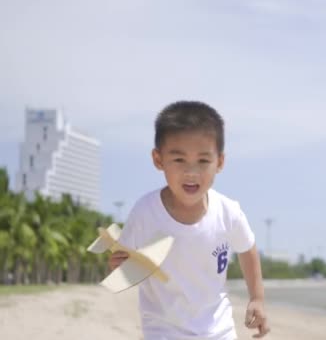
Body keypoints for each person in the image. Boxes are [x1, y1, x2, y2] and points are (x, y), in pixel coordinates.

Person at [108, 101, 269, 340]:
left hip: (217, 329)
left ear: (220, 162)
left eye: (203, 161)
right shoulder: (145, 212)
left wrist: (256, 298)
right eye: (179, 160)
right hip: (162, 330)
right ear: (158, 159)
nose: (191, 172)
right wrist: (119, 265)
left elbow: (247, 249)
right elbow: (125, 268)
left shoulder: (228, 212)